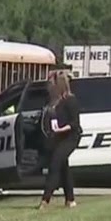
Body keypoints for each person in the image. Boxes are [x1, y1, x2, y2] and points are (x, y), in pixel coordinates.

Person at [39, 71, 82, 210]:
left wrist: (61, 129)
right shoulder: (53, 101)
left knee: (55, 163)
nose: (49, 86)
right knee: (64, 168)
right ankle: (70, 199)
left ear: (60, 85)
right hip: (57, 138)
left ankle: (45, 200)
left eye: (52, 83)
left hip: (70, 137)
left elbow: (75, 123)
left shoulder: (71, 100)